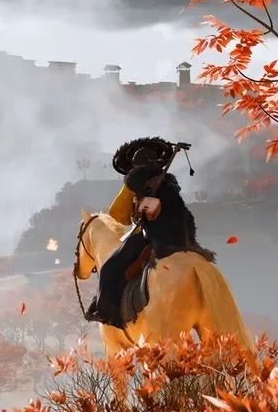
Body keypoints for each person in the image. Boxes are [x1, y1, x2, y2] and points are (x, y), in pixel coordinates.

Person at [84, 139, 212, 329]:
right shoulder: (168, 181)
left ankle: (105, 312)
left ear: (136, 165)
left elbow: (117, 214)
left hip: (152, 235)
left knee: (110, 268)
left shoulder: (134, 180)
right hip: (182, 237)